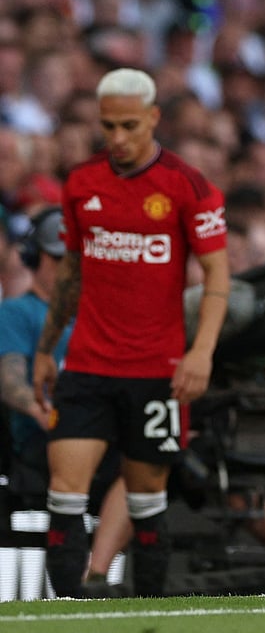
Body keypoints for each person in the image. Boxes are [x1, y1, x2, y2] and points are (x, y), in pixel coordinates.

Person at [32, 68, 230, 598]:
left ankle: (144, 612)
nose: (117, 138)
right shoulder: (82, 183)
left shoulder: (189, 187)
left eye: (127, 126)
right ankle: (67, 610)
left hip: (157, 372)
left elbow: (217, 276)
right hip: (88, 367)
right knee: (64, 494)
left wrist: (201, 353)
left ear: (152, 119)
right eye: (107, 127)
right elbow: (70, 272)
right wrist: (48, 348)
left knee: (146, 500)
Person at [0, 206, 130, 585]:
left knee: (146, 461)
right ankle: (94, 574)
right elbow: (7, 378)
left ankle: (97, 573)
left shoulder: (97, 319)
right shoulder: (17, 312)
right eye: (59, 260)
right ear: (33, 259)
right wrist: (41, 410)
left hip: (102, 433)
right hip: (44, 440)